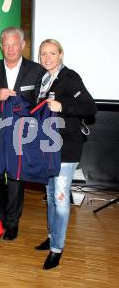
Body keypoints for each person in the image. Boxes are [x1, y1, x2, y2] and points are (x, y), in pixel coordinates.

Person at [34, 39, 96, 269]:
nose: (47, 57)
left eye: (52, 53)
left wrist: (63, 107)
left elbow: (90, 108)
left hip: (67, 147)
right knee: (50, 196)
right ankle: (52, 237)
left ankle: (56, 250)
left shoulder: (70, 78)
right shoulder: (44, 79)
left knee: (60, 200)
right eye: (43, 54)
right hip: (49, 145)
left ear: (61, 55)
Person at [0, 26, 44, 240]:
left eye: (14, 44)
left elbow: (40, 102)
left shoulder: (36, 70)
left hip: (21, 131)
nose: (10, 48)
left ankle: (13, 222)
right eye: (6, 44)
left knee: (16, 177)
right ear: (1, 46)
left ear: (23, 45)